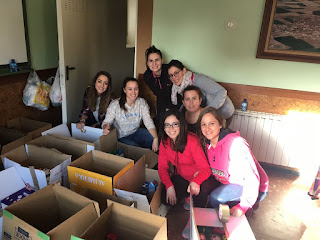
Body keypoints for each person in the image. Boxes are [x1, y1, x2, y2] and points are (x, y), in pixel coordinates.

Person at [197, 107, 269, 217]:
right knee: (200, 184)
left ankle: (248, 205)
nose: (207, 128)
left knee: (216, 198)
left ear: (220, 124)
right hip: (227, 181)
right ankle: (200, 218)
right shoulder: (208, 144)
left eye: (211, 123)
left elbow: (252, 178)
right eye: (203, 124)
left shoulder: (235, 144)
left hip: (250, 185)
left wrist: (243, 206)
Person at [158, 109, 216, 210]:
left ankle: (194, 199)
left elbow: (206, 169)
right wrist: (169, 186)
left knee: (198, 204)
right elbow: (162, 167)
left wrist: (196, 181)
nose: (171, 128)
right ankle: (187, 196)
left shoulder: (192, 141)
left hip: (199, 178)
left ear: (181, 125)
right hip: (183, 177)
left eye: (175, 124)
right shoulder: (165, 142)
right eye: (167, 125)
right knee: (165, 198)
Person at [168, 59, 235, 127]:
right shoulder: (179, 87)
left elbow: (222, 92)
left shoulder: (198, 80)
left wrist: (208, 110)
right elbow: (186, 102)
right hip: (208, 113)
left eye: (176, 73)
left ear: (184, 71)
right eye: (171, 75)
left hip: (224, 110)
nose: (174, 77)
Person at [102, 77, 158, 152]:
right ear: (124, 90)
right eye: (130, 89)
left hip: (136, 132)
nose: (133, 92)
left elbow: (148, 121)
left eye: (136, 89)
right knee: (136, 149)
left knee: (153, 138)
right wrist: (106, 127)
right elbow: (106, 122)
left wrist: (155, 138)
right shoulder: (115, 104)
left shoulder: (141, 102)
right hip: (121, 137)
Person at [143, 46, 173, 129]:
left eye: (157, 60)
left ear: (162, 60)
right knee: (160, 121)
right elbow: (159, 93)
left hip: (176, 100)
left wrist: (169, 109)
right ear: (147, 63)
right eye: (151, 61)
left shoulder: (169, 70)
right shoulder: (147, 76)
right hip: (161, 101)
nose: (154, 64)